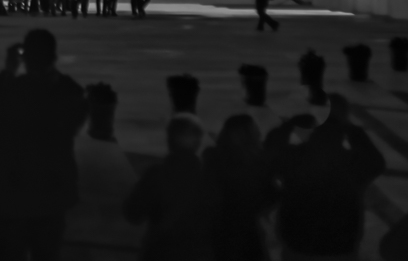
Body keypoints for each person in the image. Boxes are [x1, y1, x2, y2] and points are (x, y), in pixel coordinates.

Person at [0, 30, 87, 261]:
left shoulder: (8, 91)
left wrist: (9, 69)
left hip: (9, 194)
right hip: (50, 195)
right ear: (53, 57)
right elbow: (76, 115)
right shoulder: (68, 92)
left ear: (25, 58)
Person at [267, 95, 385, 260]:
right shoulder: (352, 162)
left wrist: (288, 126)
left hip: (298, 243)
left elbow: (271, 153)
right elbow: (376, 162)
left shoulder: (294, 158)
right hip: (339, 246)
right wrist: (350, 127)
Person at [123, 114, 213, 261]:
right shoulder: (209, 178)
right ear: (198, 142)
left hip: (161, 252)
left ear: (170, 140)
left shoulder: (157, 175)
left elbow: (133, 214)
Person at [204, 114, 274, 261]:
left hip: (220, 230)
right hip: (246, 229)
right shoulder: (258, 163)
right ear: (249, 133)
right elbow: (266, 196)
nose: (259, 132)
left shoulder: (214, 159)